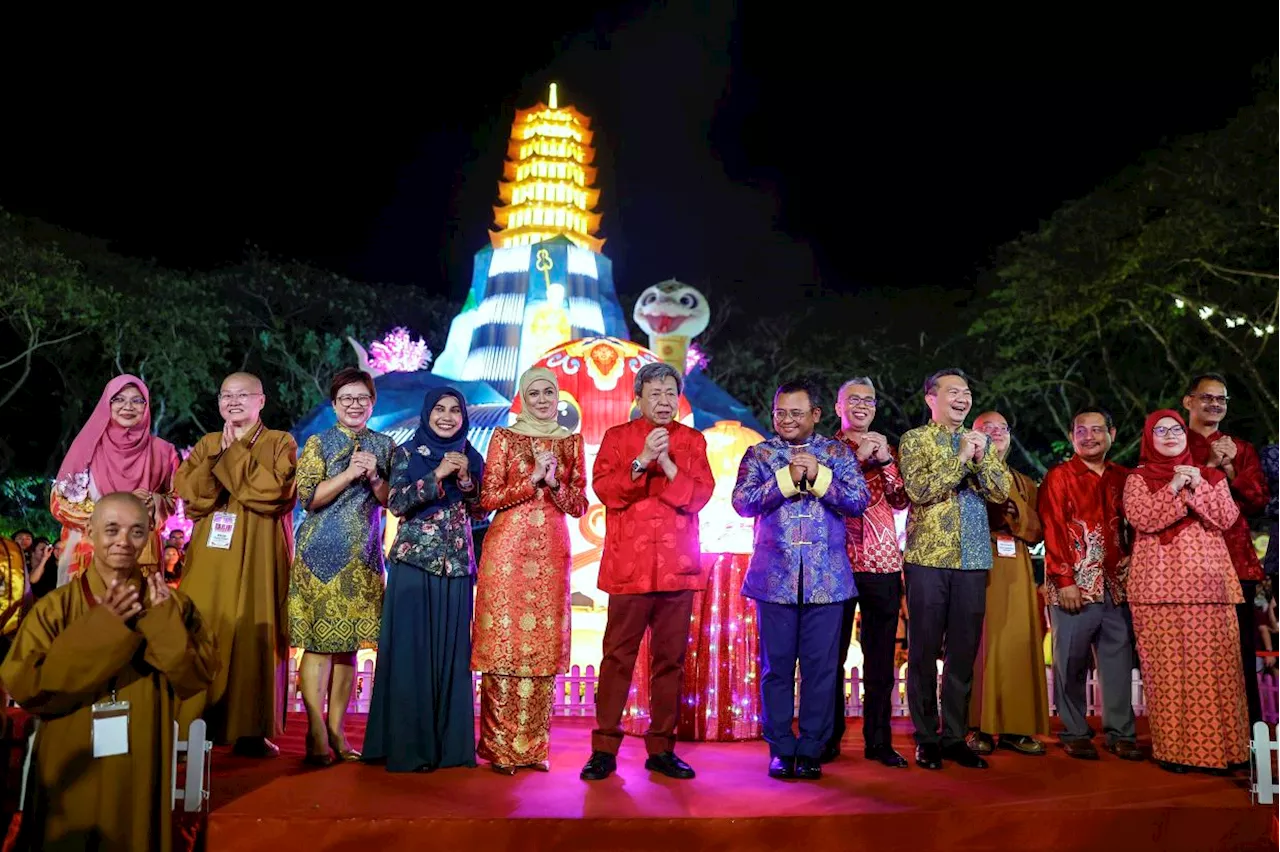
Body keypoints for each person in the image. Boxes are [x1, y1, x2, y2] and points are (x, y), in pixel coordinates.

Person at [0, 492, 217, 851]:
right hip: (71, 759)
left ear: (150, 534)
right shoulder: (55, 607)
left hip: (141, 755)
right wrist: (103, 630)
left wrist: (164, 624)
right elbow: (24, 685)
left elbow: (198, 676)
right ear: (90, 531)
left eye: (135, 531)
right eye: (111, 529)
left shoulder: (168, 602)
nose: (122, 541)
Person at [580, 362, 714, 782]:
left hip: (678, 568)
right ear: (638, 398)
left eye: (670, 393)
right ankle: (603, 749)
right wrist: (642, 461)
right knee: (617, 658)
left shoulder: (692, 441)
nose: (663, 401)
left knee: (669, 662)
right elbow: (606, 491)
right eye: (654, 393)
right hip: (629, 568)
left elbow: (699, 497)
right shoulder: (618, 438)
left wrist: (669, 465)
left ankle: (661, 748)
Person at [734, 379, 869, 780]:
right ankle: (780, 748)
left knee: (821, 670)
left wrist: (822, 477)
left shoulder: (837, 453)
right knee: (776, 670)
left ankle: (811, 748)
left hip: (828, 583)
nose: (787, 420)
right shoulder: (759, 453)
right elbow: (742, 503)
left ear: (815, 415)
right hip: (773, 581)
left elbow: (858, 500)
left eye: (796, 413)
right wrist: (785, 480)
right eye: (780, 413)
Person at [363, 386, 486, 773]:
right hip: (414, 565)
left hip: (457, 567)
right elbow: (396, 503)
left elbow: (481, 510)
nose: (447, 416)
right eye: (439, 409)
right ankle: (410, 748)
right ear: (427, 413)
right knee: (412, 656)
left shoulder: (472, 454)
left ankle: (450, 749)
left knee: (452, 660)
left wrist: (466, 480)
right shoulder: (406, 453)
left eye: (455, 410)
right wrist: (438, 474)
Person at [176, 372, 297, 758]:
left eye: (243, 395)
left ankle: (251, 730)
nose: (234, 401)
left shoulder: (280, 442)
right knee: (201, 628)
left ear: (262, 400)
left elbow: (277, 493)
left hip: (260, 553)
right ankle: (191, 726)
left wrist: (234, 457)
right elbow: (192, 497)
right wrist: (217, 457)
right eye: (226, 395)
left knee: (254, 631)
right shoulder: (208, 443)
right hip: (211, 556)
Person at [473, 367, 588, 774]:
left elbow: (579, 506)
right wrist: (532, 480)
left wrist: (555, 483)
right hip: (507, 550)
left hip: (552, 553)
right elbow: (487, 499)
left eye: (549, 393)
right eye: (534, 392)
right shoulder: (505, 438)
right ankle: (500, 748)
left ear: (558, 397)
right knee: (504, 647)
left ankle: (534, 748)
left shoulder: (572, 443)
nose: (542, 399)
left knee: (541, 651)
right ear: (523, 396)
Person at [1124, 409, 1248, 773]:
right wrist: (1174, 486)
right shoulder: (1139, 477)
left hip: (1211, 587)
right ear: (1149, 437)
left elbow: (1226, 518)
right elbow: (1144, 518)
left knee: (1218, 673)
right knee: (1168, 675)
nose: (1169, 435)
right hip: (1157, 590)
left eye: (1175, 429)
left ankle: (1228, 752)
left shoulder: (1209, 475)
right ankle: (1175, 752)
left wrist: (1197, 485)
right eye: (1159, 430)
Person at [898, 368, 1010, 770]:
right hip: (928, 559)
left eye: (966, 392)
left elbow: (999, 492)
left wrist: (981, 458)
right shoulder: (915, 440)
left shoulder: (982, 443)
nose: (962, 399)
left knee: (963, 653)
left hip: (974, 559)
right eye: (952, 392)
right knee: (925, 651)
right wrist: (960, 459)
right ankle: (927, 737)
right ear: (931, 399)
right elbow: (920, 490)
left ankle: (954, 736)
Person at [287, 368, 393, 767]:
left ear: (371, 403)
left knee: (348, 649)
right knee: (317, 646)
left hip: (363, 560)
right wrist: (349, 472)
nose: (354, 405)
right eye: (346, 398)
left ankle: (337, 730)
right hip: (319, 557)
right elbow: (308, 498)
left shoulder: (384, 445)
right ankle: (316, 733)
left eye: (361, 398)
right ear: (334, 405)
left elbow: (388, 500)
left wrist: (374, 476)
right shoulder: (318, 443)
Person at [1037, 409, 1142, 761]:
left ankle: (1121, 732)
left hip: (1118, 585)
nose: (1090, 436)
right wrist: (1064, 580)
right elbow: (1052, 529)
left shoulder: (1126, 478)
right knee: (1070, 661)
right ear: (1071, 437)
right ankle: (1074, 730)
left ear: (1112, 433)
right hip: (1074, 587)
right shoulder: (1059, 477)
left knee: (1117, 662)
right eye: (1081, 430)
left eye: (1098, 430)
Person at [827, 376, 911, 768]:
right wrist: (860, 460)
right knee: (831, 655)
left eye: (869, 400)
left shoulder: (886, 446)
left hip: (882, 563)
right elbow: (830, 495)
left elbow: (899, 501)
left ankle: (879, 740)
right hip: (836, 563)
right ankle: (827, 738)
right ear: (837, 408)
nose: (862, 405)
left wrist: (887, 462)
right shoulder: (826, 450)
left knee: (881, 660)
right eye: (853, 400)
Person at [1183, 373, 1268, 725]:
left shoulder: (1241, 449)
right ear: (1189, 401)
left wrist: (1231, 466)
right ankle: (1194, 736)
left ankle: (1247, 738)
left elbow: (1258, 501)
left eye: (1221, 399)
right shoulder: (1172, 444)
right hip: (1185, 566)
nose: (1214, 404)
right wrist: (1211, 467)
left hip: (1234, 563)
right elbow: (1177, 499)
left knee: (1238, 654)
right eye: (1207, 397)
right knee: (1192, 656)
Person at [965, 412, 1049, 756]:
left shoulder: (1024, 481)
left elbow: (1037, 529)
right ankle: (977, 726)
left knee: (1018, 643)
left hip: (1016, 565)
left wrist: (1017, 514)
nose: (996, 433)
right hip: (978, 562)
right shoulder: (965, 475)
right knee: (980, 645)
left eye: (1002, 429)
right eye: (987, 429)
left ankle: (1016, 728)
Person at [51, 375, 180, 586]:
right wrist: (114, 513)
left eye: (137, 400)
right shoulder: (87, 446)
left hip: (141, 553)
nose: (128, 406)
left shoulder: (164, 452)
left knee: (140, 613)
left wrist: (153, 501)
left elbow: (174, 499)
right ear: (106, 404)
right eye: (118, 399)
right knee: (90, 614)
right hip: (92, 550)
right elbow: (59, 502)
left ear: (146, 406)